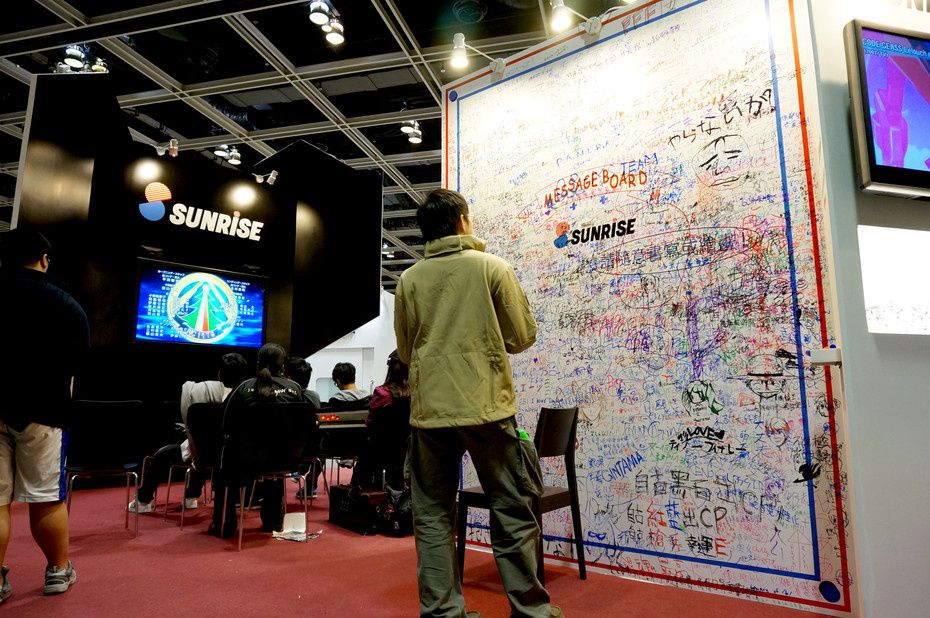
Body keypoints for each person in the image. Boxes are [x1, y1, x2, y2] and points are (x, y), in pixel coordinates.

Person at [394, 189, 559, 617]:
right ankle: (532, 612)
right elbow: (522, 337)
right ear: (462, 222)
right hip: (487, 408)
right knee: (512, 509)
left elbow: (406, 352)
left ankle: (443, 612)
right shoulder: (492, 267)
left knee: (433, 516)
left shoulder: (409, 280)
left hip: (429, 414)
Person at [0, 229, 89, 601]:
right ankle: (57, 570)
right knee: (47, 498)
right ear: (44, 259)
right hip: (45, 412)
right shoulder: (66, 304)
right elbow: (79, 362)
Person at [128, 353, 248, 513]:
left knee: (165, 455)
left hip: (208, 453)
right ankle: (191, 496)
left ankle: (143, 501)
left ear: (220, 373)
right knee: (204, 448)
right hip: (238, 458)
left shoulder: (198, 391)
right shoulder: (248, 397)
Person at [210, 343, 305, 537]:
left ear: (258, 362)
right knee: (275, 456)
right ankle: (273, 521)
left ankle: (224, 524)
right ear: (283, 365)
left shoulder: (243, 388)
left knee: (225, 456)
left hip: (246, 461)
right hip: (287, 460)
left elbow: (225, 427)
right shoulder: (295, 389)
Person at [351, 350, 411, 490]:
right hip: (406, 451)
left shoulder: (381, 393)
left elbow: (371, 423)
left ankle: (359, 489)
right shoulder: (415, 394)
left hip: (379, 451)